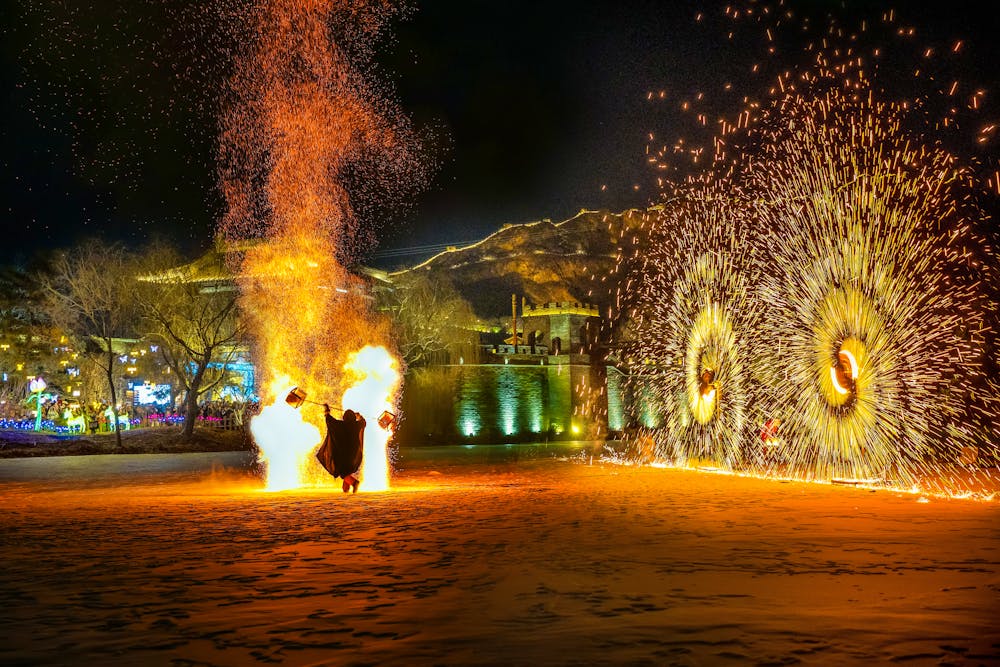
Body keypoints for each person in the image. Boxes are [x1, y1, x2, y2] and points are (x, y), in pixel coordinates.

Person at [316, 404, 366, 493]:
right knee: (347, 470)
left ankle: (354, 483)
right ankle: (345, 488)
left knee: (343, 471)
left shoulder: (340, 425)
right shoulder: (356, 425)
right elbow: (363, 422)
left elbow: (330, 421)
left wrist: (327, 411)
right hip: (353, 454)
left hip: (342, 454)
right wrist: (359, 416)